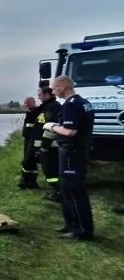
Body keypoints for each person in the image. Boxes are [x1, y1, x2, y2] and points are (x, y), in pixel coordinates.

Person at [44, 75, 95, 240]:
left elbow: (70, 131)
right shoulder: (83, 102)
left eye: (53, 88)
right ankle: (71, 225)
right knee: (67, 189)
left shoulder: (71, 105)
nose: (52, 91)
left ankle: (82, 230)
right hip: (77, 151)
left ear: (62, 86)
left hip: (72, 152)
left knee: (72, 190)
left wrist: (52, 126)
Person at [34, 86, 62, 202]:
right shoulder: (48, 106)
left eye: (40, 95)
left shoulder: (51, 107)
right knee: (51, 169)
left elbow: (51, 127)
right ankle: (55, 191)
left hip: (51, 145)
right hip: (50, 144)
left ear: (47, 95)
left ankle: (56, 193)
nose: (39, 97)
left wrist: (44, 147)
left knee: (51, 169)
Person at [19, 96, 41, 189]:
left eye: (28, 102)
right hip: (27, 141)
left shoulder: (36, 112)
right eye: (25, 102)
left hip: (32, 141)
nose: (26, 104)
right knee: (30, 162)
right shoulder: (29, 112)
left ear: (33, 102)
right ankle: (31, 182)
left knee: (27, 161)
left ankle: (26, 181)